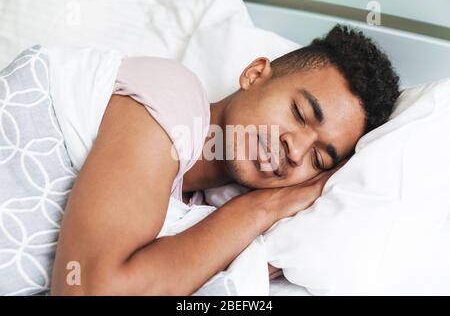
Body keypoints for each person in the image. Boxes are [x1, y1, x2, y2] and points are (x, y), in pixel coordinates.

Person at [49, 25, 400, 295]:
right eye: (299, 112)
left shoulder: (202, 213)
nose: (295, 151)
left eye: (319, 158)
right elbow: (88, 290)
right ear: (255, 74)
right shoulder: (172, 92)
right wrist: (264, 207)